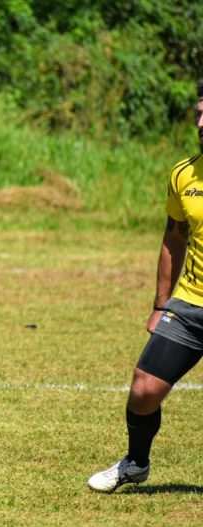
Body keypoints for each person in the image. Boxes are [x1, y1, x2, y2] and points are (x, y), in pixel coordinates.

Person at [88, 83, 203, 493]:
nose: (201, 123)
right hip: (190, 303)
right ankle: (136, 463)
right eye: (199, 114)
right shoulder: (184, 173)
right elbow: (174, 237)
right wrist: (160, 304)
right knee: (143, 390)